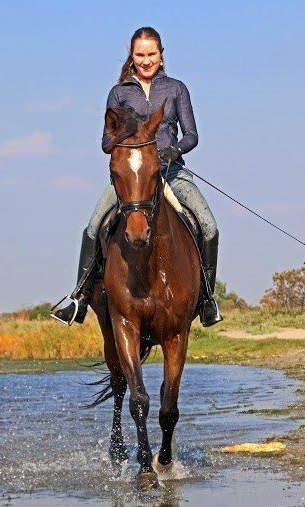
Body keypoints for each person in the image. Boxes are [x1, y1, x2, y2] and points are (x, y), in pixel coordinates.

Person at [52, 26, 222, 327]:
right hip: (133, 180)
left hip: (172, 171)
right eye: (140, 54)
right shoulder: (119, 93)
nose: (146, 60)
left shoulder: (176, 88)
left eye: (151, 54)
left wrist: (174, 150)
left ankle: (207, 300)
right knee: (93, 227)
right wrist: (125, 133)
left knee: (209, 227)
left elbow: (192, 135)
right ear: (132, 56)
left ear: (161, 55)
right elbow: (106, 143)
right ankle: (78, 298)